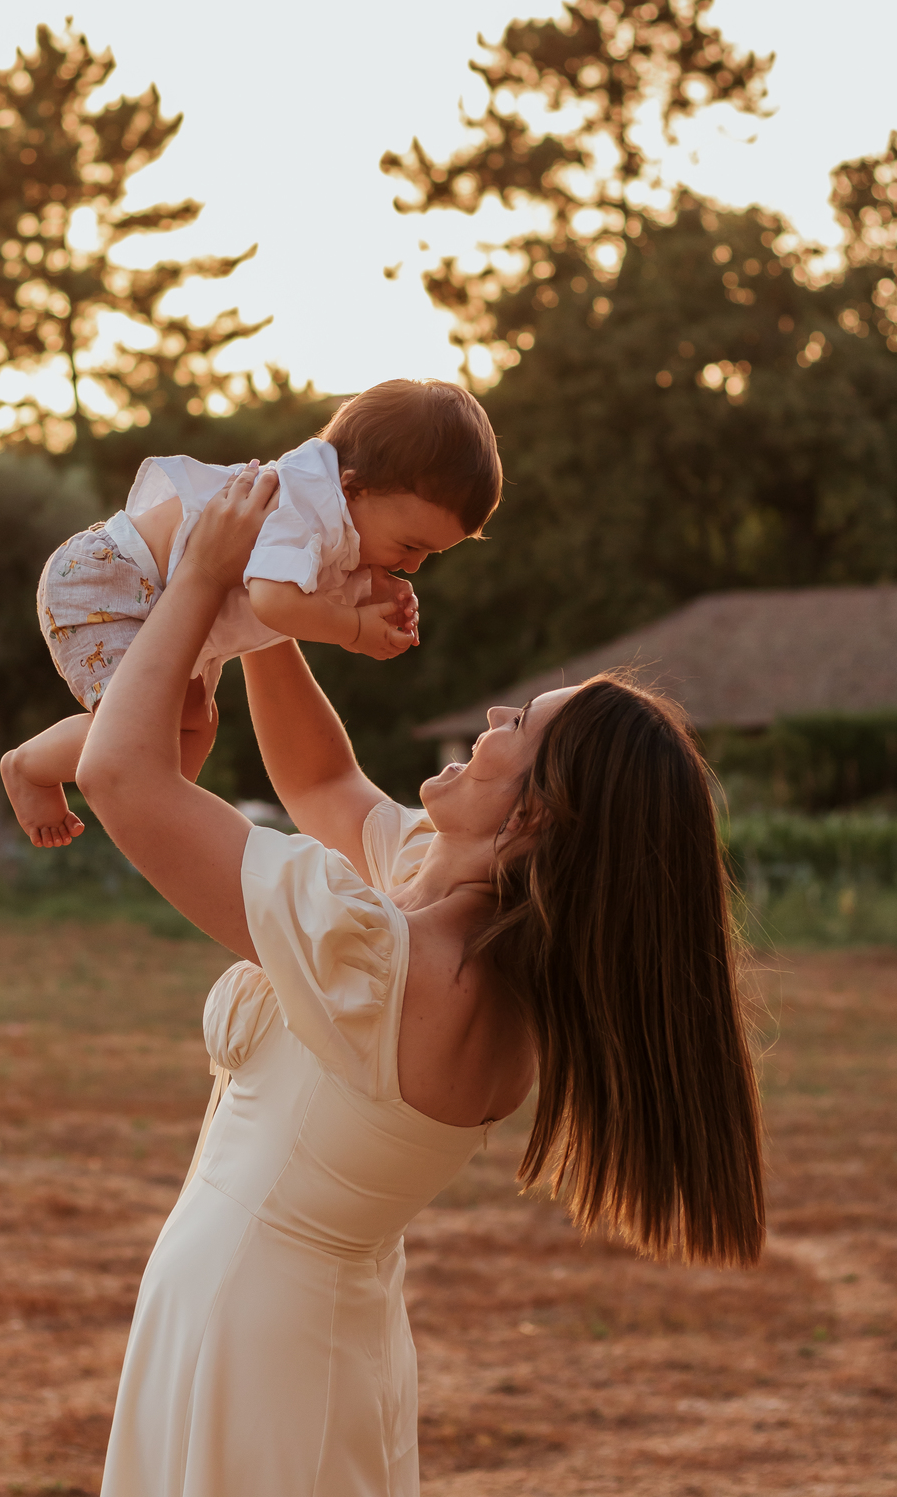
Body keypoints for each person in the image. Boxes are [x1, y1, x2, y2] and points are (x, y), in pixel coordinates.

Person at [79, 465, 765, 1497]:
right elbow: (320, 781)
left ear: (533, 817)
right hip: (295, 1328)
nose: (492, 713)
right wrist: (269, 592)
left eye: (517, 728)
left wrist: (200, 580)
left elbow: (120, 776)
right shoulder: (445, 920)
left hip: (256, 1345)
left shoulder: (390, 962)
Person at [1, 379, 500, 846]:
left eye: (428, 555)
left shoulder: (333, 513)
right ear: (353, 488)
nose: (413, 565)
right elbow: (272, 600)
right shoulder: (305, 504)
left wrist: (372, 588)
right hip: (110, 584)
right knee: (142, 733)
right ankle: (30, 767)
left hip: (149, 597)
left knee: (189, 732)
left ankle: (158, 823)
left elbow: (302, 578)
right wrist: (352, 629)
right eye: (410, 546)